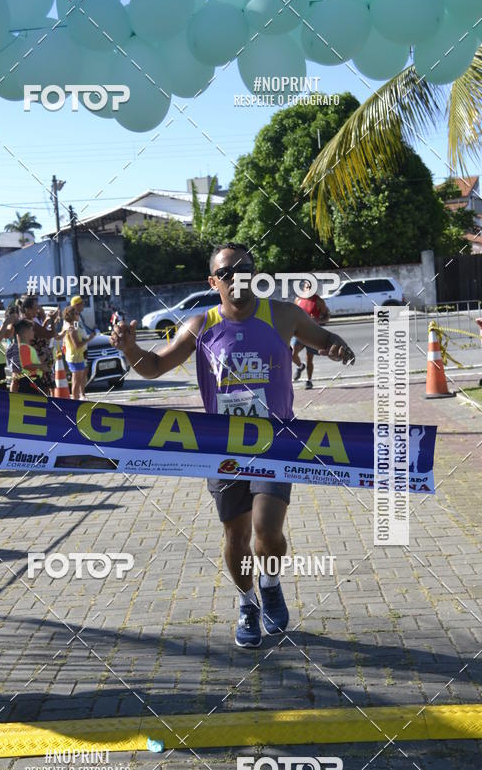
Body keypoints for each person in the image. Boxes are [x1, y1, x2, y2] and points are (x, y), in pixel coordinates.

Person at [111, 242, 355, 649]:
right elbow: (153, 367)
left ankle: (271, 583)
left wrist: (335, 346)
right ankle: (247, 603)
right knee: (236, 536)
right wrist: (130, 349)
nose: (237, 277)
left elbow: (323, 337)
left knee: (267, 531)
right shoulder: (201, 325)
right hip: (222, 450)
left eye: (245, 269)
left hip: (275, 443)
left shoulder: (282, 314)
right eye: (227, 272)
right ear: (213, 282)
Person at [291, 279, 330, 390]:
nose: (309, 289)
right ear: (304, 288)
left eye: (311, 287)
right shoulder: (298, 299)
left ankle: (309, 381)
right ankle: (300, 366)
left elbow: (327, 316)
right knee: (292, 353)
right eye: (307, 287)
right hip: (299, 332)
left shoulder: (319, 301)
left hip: (313, 333)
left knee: (309, 358)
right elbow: (294, 314)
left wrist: (318, 320)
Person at [61, 305, 90, 400]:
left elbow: (78, 332)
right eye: (77, 314)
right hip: (75, 357)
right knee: (76, 382)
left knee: (78, 380)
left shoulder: (74, 325)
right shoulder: (71, 328)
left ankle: (79, 397)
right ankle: (75, 401)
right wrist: (90, 338)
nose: (79, 315)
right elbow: (77, 345)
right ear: (72, 316)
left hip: (78, 356)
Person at [13, 319, 44, 394]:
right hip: (29, 383)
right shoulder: (24, 347)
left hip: (31, 381)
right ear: (25, 333)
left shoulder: (26, 347)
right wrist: (41, 366)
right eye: (31, 330)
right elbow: (26, 365)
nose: (34, 332)